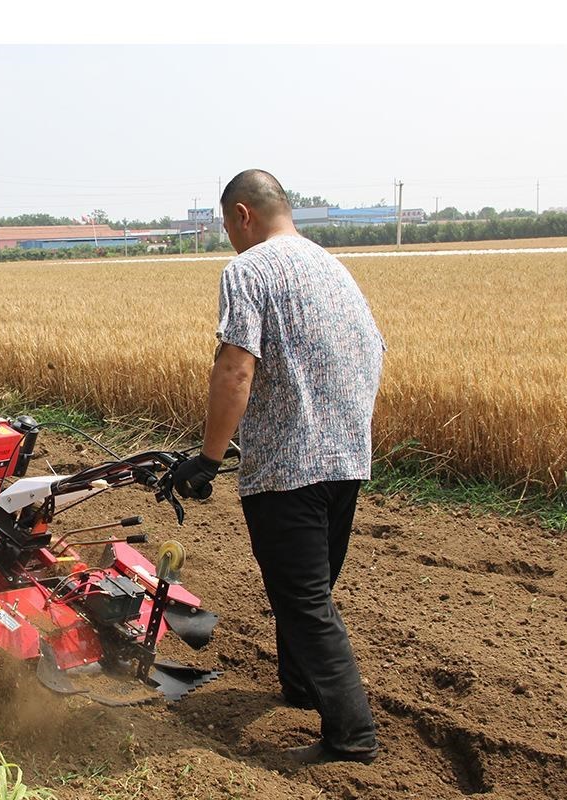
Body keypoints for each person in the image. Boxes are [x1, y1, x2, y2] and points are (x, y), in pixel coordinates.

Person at [173, 169, 385, 766]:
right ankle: (299, 686)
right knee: (309, 588)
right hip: (347, 461)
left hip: (289, 472)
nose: (228, 240)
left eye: (225, 226)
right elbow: (374, 352)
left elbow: (235, 368)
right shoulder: (333, 269)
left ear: (243, 214)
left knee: (306, 603)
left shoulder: (249, 270)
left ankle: (352, 737)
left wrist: (209, 458)